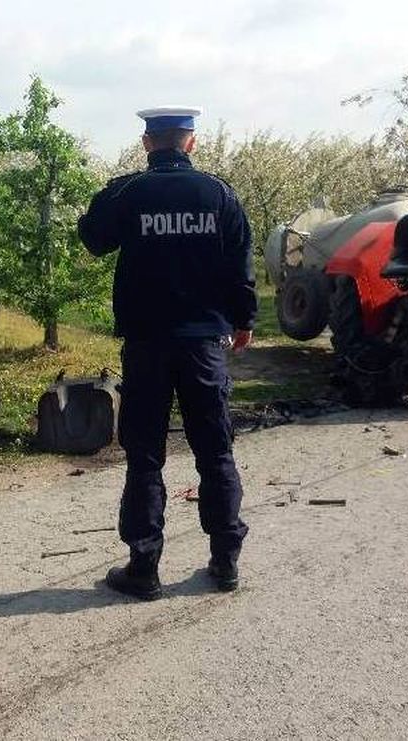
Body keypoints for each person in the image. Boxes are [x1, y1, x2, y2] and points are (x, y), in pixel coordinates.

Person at [78, 105, 257, 599]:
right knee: (215, 451)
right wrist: (244, 320)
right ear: (191, 144)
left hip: (148, 344)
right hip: (204, 345)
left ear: (147, 144)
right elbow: (239, 262)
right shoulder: (219, 194)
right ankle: (225, 563)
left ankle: (144, 567)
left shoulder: (131, 192)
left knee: (145, 456)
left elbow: (92, 238)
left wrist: (110, 191)